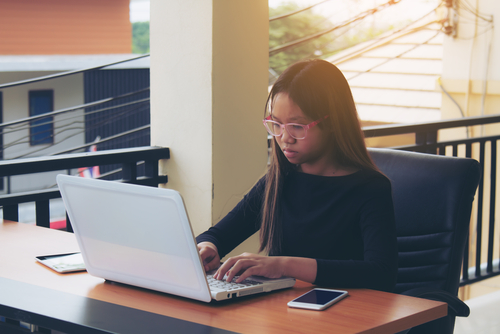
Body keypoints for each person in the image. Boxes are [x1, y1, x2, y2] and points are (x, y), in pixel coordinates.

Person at [196, 59, 398, 292]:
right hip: (283, 312)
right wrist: (207, 247)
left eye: (297, 127)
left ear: (332, 122)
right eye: (277, 124)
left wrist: (284, 265)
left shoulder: (371, 189)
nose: (284, 137)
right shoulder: (279, 180)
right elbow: (217, 235)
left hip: (344, 313)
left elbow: (381, 273)